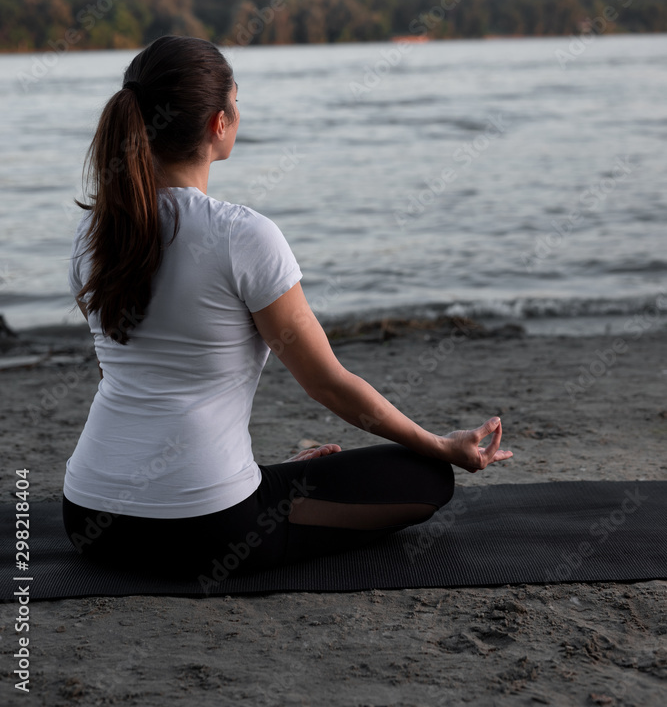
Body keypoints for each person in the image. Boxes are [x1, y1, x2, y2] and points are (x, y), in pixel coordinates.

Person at [62, 35, 512, 582]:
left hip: (89, 516)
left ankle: (250, 477)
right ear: (217, 123)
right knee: (428, 478)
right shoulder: (241, 234)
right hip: (206, 528)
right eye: (237, 99)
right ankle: (251, 483)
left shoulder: (93, 233)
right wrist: (440, 445)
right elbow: (327, 384)